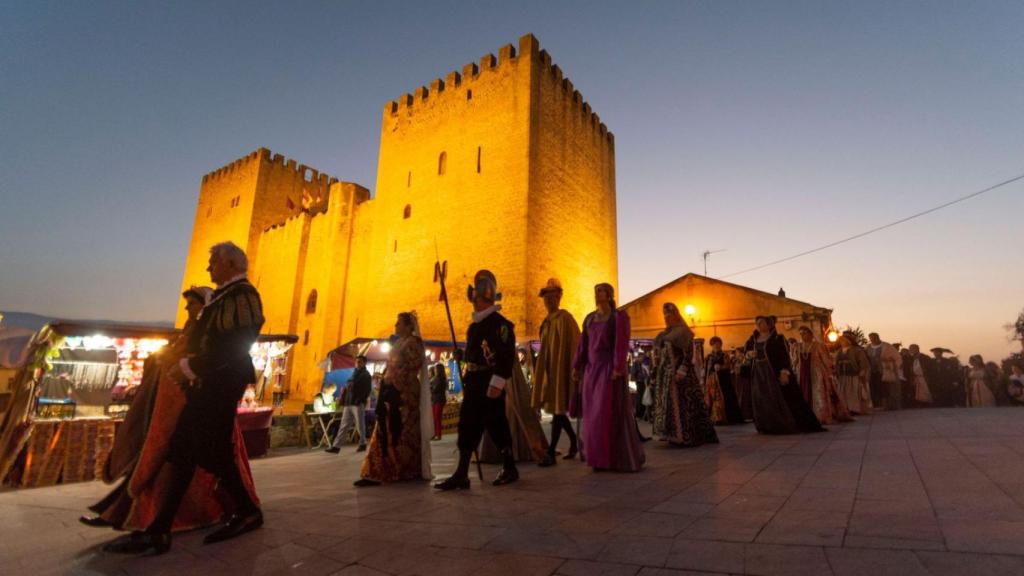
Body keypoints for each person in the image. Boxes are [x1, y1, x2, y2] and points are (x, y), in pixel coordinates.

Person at [104, 242, 265, 555]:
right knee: (184, 450)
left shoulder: (244, 295)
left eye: (213, 262)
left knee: (204, 449)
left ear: (230, 264)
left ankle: (244, 511)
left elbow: (238, 343)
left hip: (221, 383)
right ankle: (160, 529)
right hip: (209, 383)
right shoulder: (224, 297)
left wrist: (192, 366)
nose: (208, 268)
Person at [83, 286, 258, 533]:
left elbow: (206, 364)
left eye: (192, 305)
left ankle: (159, 524)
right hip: (176, 407)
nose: (188, 310)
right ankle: (131, 517)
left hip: (194, 406)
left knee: (177, 461)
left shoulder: (211, 334)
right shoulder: (192, 331)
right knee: (160, 461)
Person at [435, 270, 519, 490]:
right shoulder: (474, 327)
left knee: (496, 423)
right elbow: (476, 353)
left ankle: (510, 467)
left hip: (489, 381)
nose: (474, 303)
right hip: (474, 380)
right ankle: (462, 473)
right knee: (467, 424)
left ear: (485, 299)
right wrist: (462, 357)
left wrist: (498, 382)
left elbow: (506, 355)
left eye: (477, 299)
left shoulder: (501, 325)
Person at [572, 283, 645, 471]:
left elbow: (621, 343)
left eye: (601, 291)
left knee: (606, 413)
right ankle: (597, 457)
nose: (597, 294)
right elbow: (583, 344)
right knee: (592, 415)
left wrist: (618, 367)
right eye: (596, 291)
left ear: (609, 294)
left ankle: (614, 457)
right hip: (591, 372)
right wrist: (577, 366)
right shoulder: (589, 318)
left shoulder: (617, 317)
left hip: (608, 370)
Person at [356, 314, 425, 486]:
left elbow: (413, 366)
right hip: (390, 392)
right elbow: (393, 365)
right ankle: (378, 470)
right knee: (384, 428)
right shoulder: (398, 343)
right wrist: (386, 379)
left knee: (401, 431)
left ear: (409, 326)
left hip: (404, 395)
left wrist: (395, 382)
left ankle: (401, 469)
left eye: (399, 323)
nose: (395, 325)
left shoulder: (414, 343)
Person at [530, 278, 581, 466]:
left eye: (553, 298)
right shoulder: (546, 322)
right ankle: (574, 442)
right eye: (546, 299)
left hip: (563, 369)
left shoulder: (565, 318)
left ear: (559, 299)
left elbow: (577, 343)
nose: (549, 302)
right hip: (550, 370)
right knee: (557, 409)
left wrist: (576, 367)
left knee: (558, 411)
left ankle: (551, 451)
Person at [651, 303, 719, 446]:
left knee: (683, 404)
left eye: (669, 313)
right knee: (668, 405)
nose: (666, 316)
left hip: (679, 374)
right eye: (664, 314)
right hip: (665, 374)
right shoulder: (664, 334)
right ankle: (671, 435)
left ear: (675, 314)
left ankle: (685, 436)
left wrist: (682, 370)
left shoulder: (683, 332)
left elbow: (688, 354)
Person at [744, 316, 824, 434]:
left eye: (761, 323)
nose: (758, 325)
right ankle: (765, 424)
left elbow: (785, 356)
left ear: (769, 324)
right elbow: (745, 354)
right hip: (758, 373)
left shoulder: (778, 338)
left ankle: (780, 424)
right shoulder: (752, 340)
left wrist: (784, 372)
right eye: (757, 323)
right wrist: (749, 354)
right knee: (761, 398)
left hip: (772, 372)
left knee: (776, 397)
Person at [793, 326, 852, 424]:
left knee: (818, 393)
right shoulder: (797, 346)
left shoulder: (818, 346)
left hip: (817, 373)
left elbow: (826, 359)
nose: (803, 335)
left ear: (811, 334)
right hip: (802, 374)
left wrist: (829, 371)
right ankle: (805, 415)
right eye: (801, 333)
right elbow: (795, 361)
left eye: (805, 333)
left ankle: (819, 415)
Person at [327, 355, 372, 453]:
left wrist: (360, 400)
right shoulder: (354, 373)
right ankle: (336, 446)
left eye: (359, 362)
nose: (357, 363)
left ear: (364, 363)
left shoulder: (366, 375)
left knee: (360, 425)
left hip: (357, 403)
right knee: (344, 425)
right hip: (349, 402)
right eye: (356, 362)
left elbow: (367, 390)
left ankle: (363, 443)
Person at [706, 336, 744, 425]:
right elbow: (707, 368)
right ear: (711, 345)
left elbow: (728, 366)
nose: (716, 346)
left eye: (718, 344)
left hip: (723, 380)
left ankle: (725, 418)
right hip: (712, 381)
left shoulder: (724, 355)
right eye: (714, 344)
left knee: (725, 397)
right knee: (712, 398)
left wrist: (721, 367)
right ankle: (714, 418)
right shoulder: (709, 356)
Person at [835, 334, 872, 415]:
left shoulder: (857, 350)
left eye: (844, 340)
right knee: (843, 393)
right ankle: (845, 409)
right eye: (841, 341)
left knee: (853, 393)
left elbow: (863, 362)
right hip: (843, 376)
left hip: (853, 375)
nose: (842, 342)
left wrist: (862, 372)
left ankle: (854, 409)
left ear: (849, 341)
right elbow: (836, 363)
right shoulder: (839, 351)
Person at [868, 333, 903, 411]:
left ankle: (887, 405)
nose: (872, 339)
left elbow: (897, 358)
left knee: (886, 388)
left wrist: (890, 364)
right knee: (874, 388)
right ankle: (876, 405)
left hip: (885, 371)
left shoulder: (887, 346)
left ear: (878, 337)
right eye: (871, 338)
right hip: (873, 371)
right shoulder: (868, 347)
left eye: (874, 338)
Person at [430, 363, 448, 441]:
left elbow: (435, 389)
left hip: (439, 400)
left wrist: (430, 388)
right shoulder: (435, 378)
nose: (435, 370)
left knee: (437, 418)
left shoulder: (441, 379)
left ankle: (438, 435)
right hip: (434, 399)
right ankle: (435, 434)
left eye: (436, 369)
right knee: (434, 418)